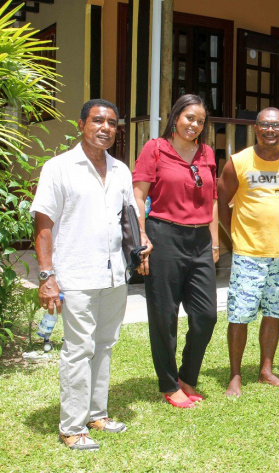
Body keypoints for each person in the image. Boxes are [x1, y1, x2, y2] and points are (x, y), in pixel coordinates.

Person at [32, 99, 152, 450]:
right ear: (81, 125)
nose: (105, 128)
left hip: (114, 273)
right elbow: (43, 224)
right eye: (98, 121)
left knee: (105, 345)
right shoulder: (59, 168)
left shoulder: (120, 170)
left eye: (112, 123)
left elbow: (130, 218)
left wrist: (142, 241)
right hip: (76, 274)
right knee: (78, 348)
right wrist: (46, 276)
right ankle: (71, 426)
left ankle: (97, 414)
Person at [133, 94, 218, 408]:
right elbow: (138, 196)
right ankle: (169, 384)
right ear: (175, 117)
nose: (194, 125)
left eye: (200, 121)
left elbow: (212, 201)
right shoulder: (155, 149)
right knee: (164, 316)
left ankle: (187, 375)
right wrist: (141, 235)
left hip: (200, 241)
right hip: (163, 236)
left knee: (206, 315)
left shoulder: (207, 153)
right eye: (189, 118)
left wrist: (215, 242)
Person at [217, 107, 279, 397]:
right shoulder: (238, 162)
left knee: (273, 312)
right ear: (256, 129)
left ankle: (266, 370)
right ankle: (235, 375)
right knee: (240, 315)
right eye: (265, 125)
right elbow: (222, 204)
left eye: (276, 126)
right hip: (247, 254)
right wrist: (236, 239)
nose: (270, 130)